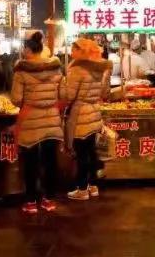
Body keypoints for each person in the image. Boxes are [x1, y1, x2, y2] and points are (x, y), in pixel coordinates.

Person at [11, 31, 64, 214]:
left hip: (31, 120)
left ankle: (31, 201)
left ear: (28, 49)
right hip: (51, 119)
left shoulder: (21, 70)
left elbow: (16, 99)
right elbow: (62, 94)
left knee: (31, 161)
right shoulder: (56, 68)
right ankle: (49, 199)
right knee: (50, 161)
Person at [63, 38, 111, 201]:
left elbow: (69, 95)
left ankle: (82, 189)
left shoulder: (76, 69)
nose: (71, 52)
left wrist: (61, 87)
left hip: (80, 115)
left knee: (82, 153)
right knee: (90, 151)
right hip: (94, 112)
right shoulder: (98, 69)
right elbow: (103, 92)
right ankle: (93, 185)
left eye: (74, 49)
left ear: (81, 51)